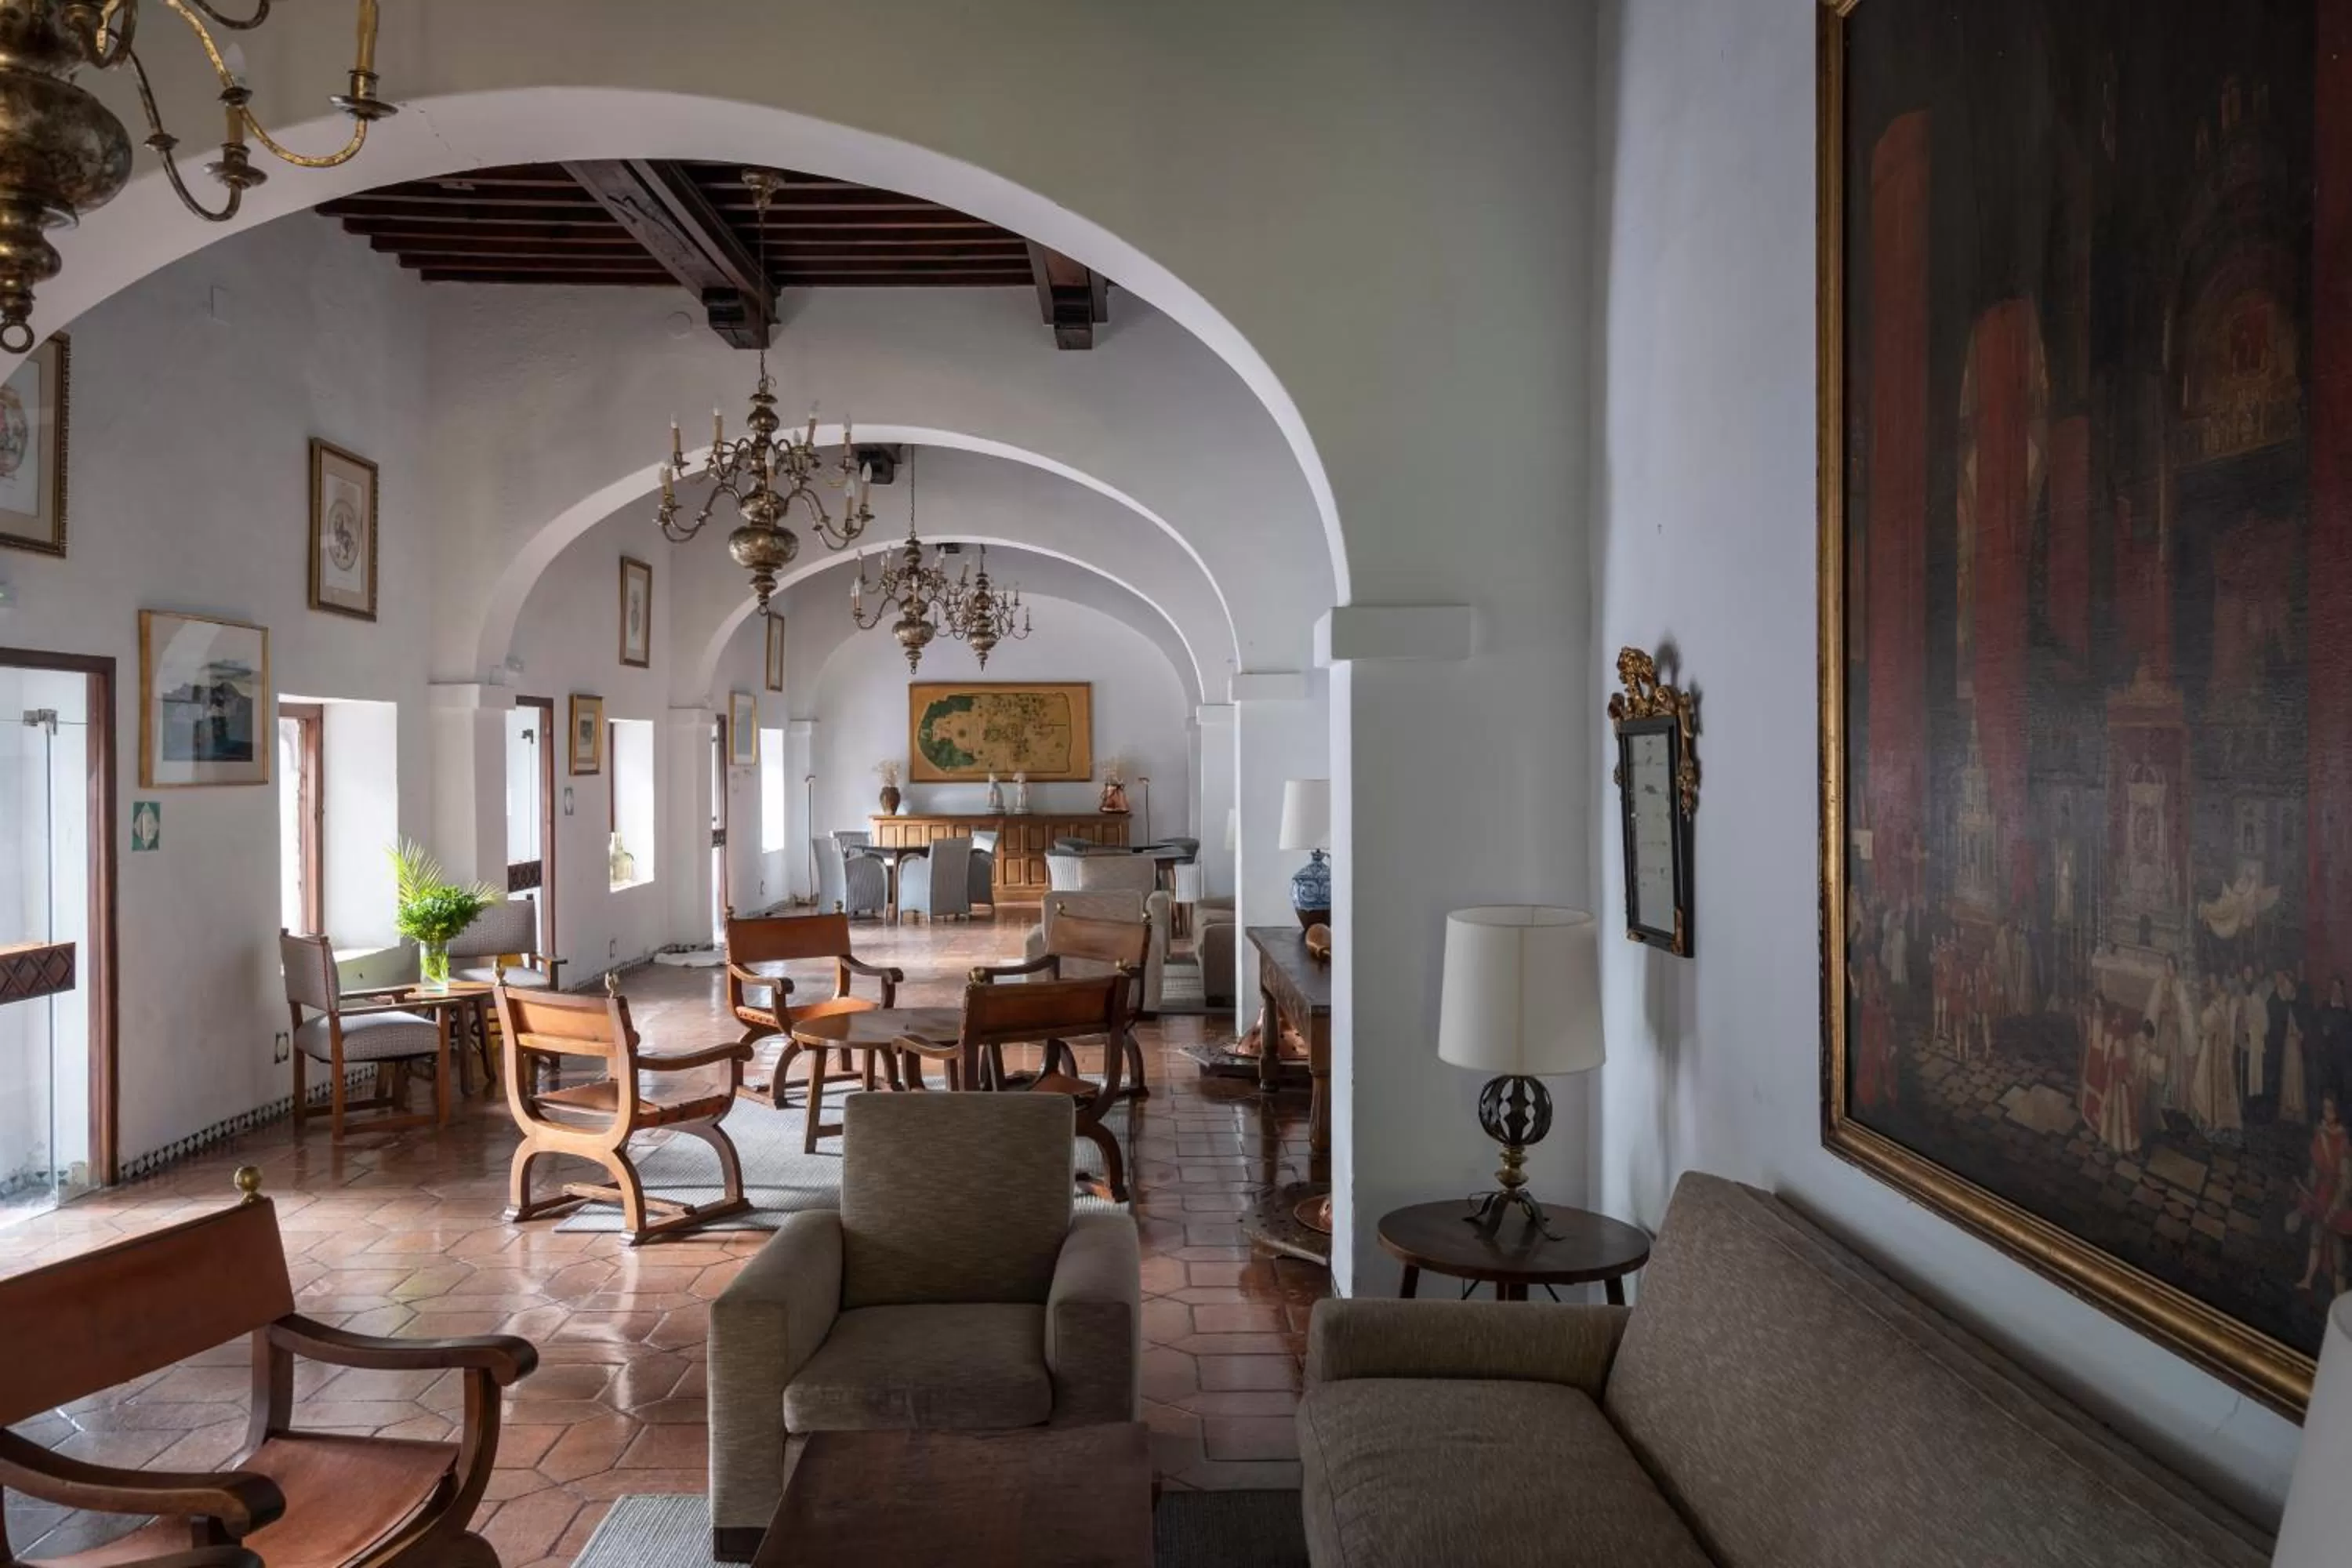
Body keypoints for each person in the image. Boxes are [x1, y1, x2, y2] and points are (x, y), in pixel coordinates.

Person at [2295, 1092, 2352, 1302]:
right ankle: (2308, 1278)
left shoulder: (2344, 1140)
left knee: (2338, 1255)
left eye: (2330, 1109)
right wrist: (2308, 1188)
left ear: (2338, 1113)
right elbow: (2314, 1165)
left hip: (2337, 1199)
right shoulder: (2321, 1132)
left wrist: (2333, 1209)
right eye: (2325, 1108)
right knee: (2316, 1236)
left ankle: (2339, 1300)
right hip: (2321, 1192)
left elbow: (2346, 1183)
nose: (2326, 1113)